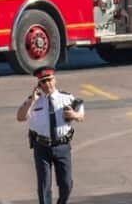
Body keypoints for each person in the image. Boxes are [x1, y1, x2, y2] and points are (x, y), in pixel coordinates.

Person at [17, 67, 84, 204]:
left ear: (55, 79)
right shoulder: (34, 101)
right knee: (44, 186)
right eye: (43, 82)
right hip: (42, 147)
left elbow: (81, 115)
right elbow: (20, 117)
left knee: (66, 184)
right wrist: (32, 101)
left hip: (62, 146)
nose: (47, 84)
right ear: (39, 84)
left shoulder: (67, 98)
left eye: (49, 80)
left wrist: (75, 115)